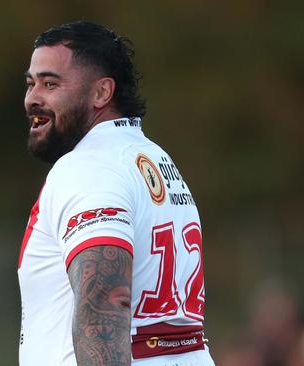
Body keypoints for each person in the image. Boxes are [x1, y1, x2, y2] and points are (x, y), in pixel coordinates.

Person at [18, 21, 215, 365]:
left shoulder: (88, 166)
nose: (33, 98)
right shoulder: (156, 159)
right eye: (31, 84)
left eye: (50, 83)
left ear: (101, 93)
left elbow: (107, 299)